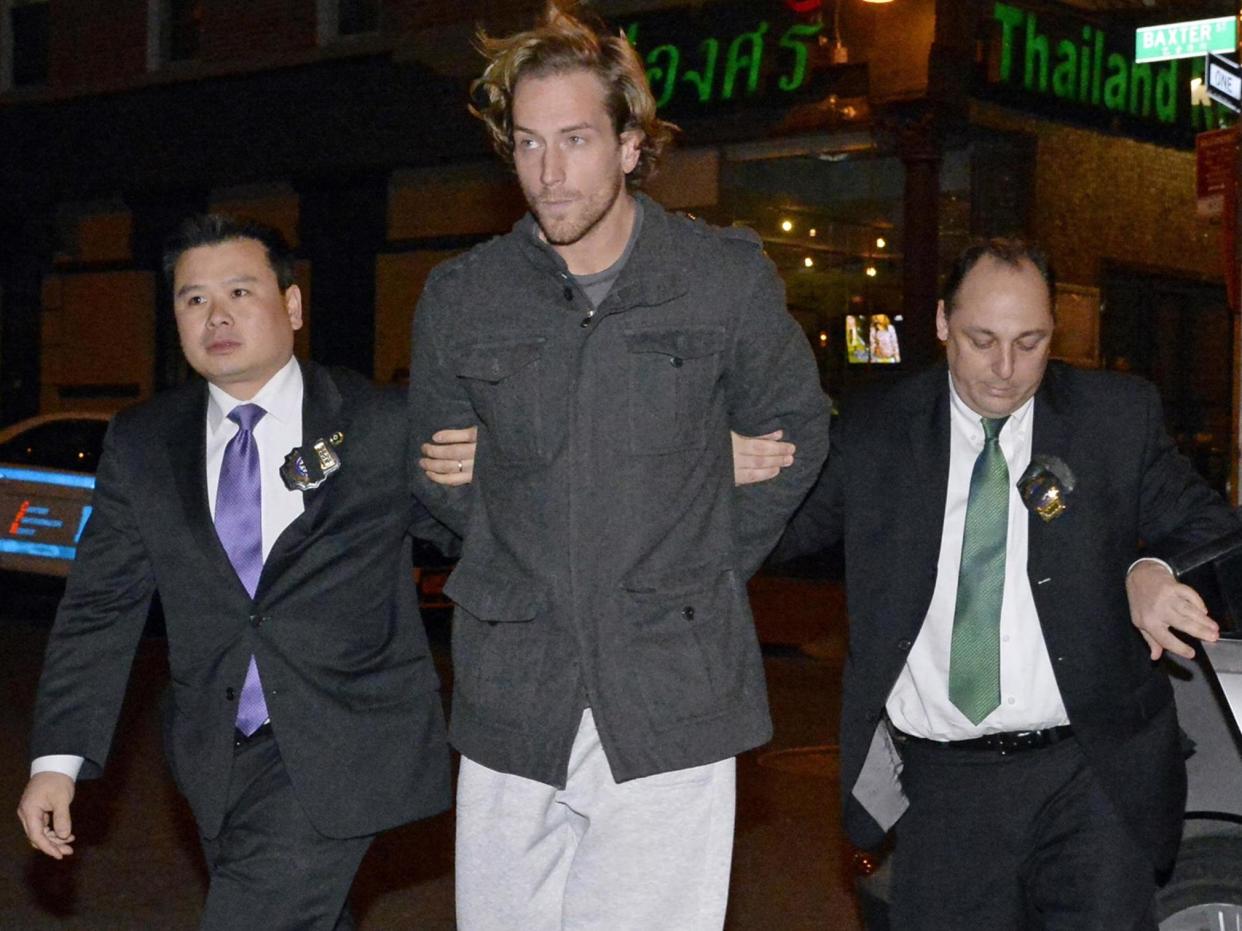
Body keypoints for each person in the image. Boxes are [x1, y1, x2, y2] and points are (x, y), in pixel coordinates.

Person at [405, 3, 832, 928]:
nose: (549, 175)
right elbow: (436, 474)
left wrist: (695, 564)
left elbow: (794, 439)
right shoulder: (463, 297)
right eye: (526, 144)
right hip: (516, 687)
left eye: (575, 140)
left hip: (673, 683)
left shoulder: (720, 278)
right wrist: (541, 490)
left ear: (632, 143)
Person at [778, 237, 1240, 929]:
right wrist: (723, 466)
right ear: (941, 323)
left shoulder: (1112, 417)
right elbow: (784, 533)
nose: (1005, 369)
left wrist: (1153, 568)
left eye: (1030, 342)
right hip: (945, 783)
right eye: (981, 339)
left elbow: (1209, 523)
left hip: (1090, 773)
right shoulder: (880, 429)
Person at [16, 215, 451, 930]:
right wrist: (55, 762)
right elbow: (100, 606)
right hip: (216, 757)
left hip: (344, 745)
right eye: (193, 299)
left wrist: (471, 477)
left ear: (292, 306)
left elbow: (464, 530)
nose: (215, 315)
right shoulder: (145, 443)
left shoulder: (379, 422)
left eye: (240, 290)